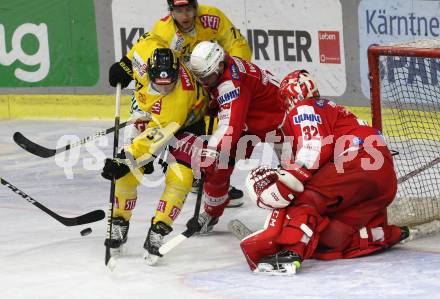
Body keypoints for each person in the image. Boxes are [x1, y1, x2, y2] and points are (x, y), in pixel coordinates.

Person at [240, 70, 410, 275]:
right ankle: (387, 233)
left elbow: (313, 145)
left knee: (305, 196)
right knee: (331, 240)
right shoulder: (331, 109)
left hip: (356, 160)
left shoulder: (303, 107)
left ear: (289, 97)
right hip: (383, 179)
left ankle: (290, 252)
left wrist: (293, 178)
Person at [112, 0, 252, 203]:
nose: (185, 16)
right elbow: (147, 58)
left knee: (215, 128)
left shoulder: (212, 18)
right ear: (171, 11)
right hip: (173, 90)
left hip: (209, 78)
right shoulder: (164, 31)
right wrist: (126, 67)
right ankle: (139, 158)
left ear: (196, 7)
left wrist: (234, 76)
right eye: (179, 11)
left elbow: (236, 44)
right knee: (160, 127)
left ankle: (207, 180)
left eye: (189, 9)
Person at [102, 33, 209, 265]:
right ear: (149, 72)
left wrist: (126, 159)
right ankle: (119, 221)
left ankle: (159, 229)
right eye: (160, 84)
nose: (165, 88)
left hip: (188, 123)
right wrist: (125, 63)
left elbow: (154, 138)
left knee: (180, 177)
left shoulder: (179, 97)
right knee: (127, 174)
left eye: (170, 83)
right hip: (149, 113)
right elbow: (141, 45)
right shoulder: (146, 53)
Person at [186, 41, 286, 233]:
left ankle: (294, 219)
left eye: (207, 78)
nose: (204, 83)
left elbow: (229, 127)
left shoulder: (231, 85)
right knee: (218, 168)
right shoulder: (221, 68)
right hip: (249, 121)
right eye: (201, 78)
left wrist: (211, 151)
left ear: (220, 65)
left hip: (280, 122)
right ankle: (211, 213)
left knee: (293, 175)